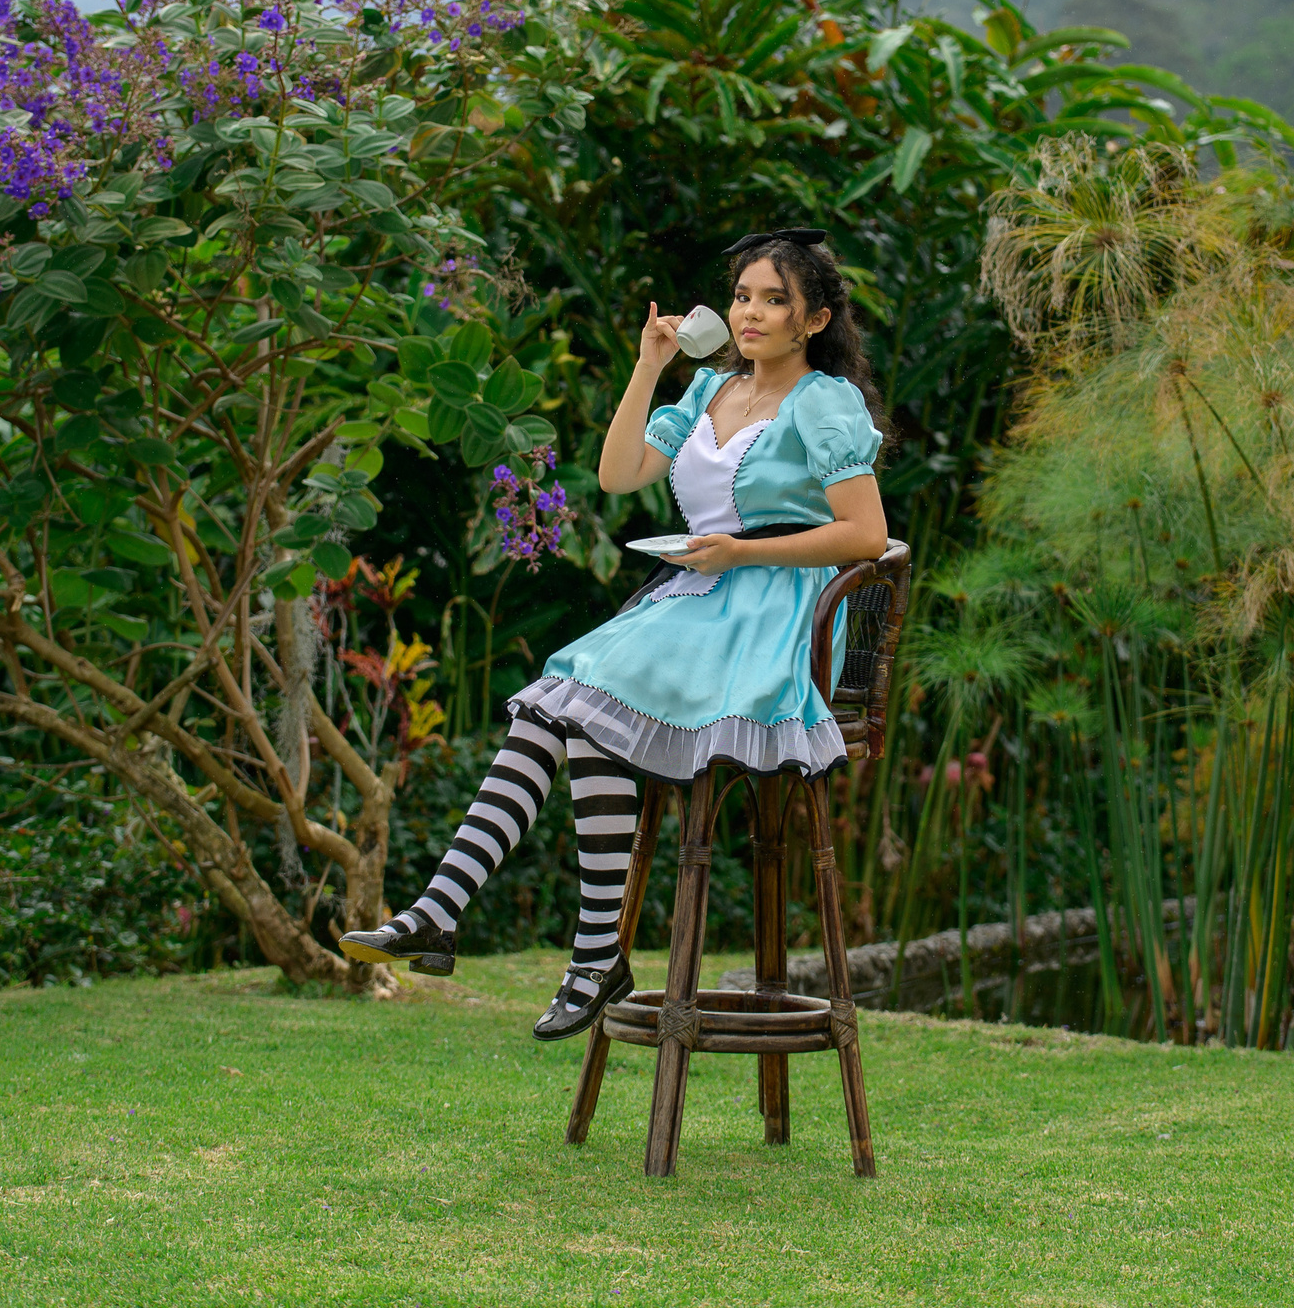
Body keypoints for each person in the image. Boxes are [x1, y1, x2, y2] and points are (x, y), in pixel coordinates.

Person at [342, 228, 889, 1038]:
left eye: (775, 299)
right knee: (562, 707)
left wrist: (743, 551)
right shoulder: (705, 390)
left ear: (813, 319)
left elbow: (867, 535)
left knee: (576, 695)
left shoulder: (823, 401)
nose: (752, 312)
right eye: (743, 295)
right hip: (696, 597)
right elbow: (619, 472)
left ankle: (547, 939)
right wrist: (648, 365)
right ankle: (464, 915)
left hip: (774, 611)